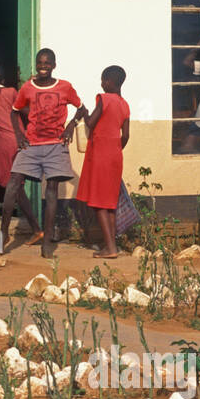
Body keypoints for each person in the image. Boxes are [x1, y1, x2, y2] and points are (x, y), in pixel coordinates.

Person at [0, 48, 84, 258]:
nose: (43, 66)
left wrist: (71, 125)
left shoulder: (65, 87)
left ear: (54, 65)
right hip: (32, 145)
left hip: (56, 145)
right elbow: (14, 110)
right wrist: (19, 133)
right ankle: (2, 234)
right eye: (39, 63)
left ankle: (46, 243)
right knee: (12, 185)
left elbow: (82, 108)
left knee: (52, 191)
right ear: (36, 65)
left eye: (47, 63)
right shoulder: (27, 87)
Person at [73, 65, 131, 259]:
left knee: (99, 203)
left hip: (100, 155)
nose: (101, 83)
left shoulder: (104, 99)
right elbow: (126, 135)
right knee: (110, 203)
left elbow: (90, 123)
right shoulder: (124, 104)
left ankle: (110, 248)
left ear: (109, 82)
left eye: (103, 80)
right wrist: (114, 148)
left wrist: (85, 114)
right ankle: (112, 244)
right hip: (115, 155)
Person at [0, 65, 40, 242]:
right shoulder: (11, 92)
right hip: (20, 140)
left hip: (2, 143)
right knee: (16, 187)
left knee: (11, 186)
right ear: (3, 81)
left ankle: (0, 221)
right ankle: (36, 229)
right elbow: (26, 108)